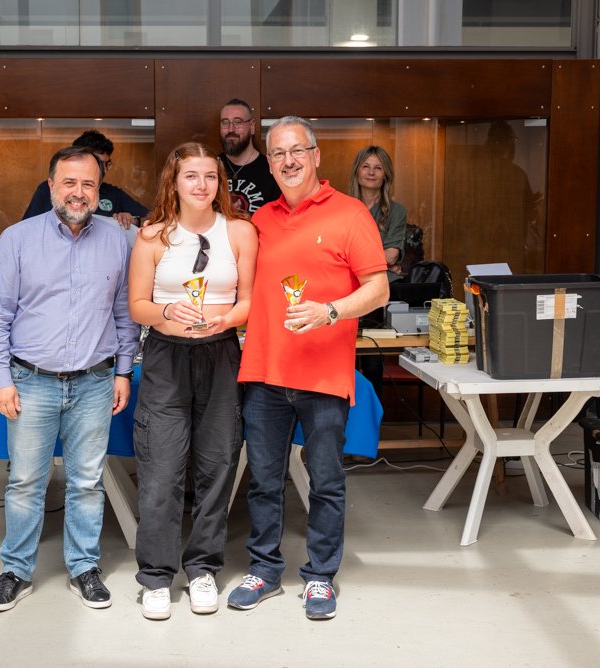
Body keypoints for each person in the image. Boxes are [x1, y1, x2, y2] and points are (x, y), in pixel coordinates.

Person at [229, 117, 390, 620]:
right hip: (265, 374)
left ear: (316, 156)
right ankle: (264, 570)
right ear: (270, 163)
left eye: (297, 150)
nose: (289, 160)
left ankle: (320, 576)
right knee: (263, 481)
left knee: (325, 483)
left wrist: (331, 311)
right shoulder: (260, 220)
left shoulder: (350, 213)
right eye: (278, 153)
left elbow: (378, 290)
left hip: (323, 377)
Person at [0, 145, 140, 613]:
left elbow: (124, 315)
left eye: (88, 183)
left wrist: (123, 371)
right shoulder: (17, 239)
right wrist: (0, 378)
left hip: (95, 381)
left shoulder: (117, 241)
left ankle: (84, 567)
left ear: (99, 190)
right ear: (51, 186)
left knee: (87, 481)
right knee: (26, 481)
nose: (78, 192)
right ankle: (16, 571)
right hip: (31, 381)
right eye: (69, 182)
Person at [127, 143, 258, 620]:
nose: (201, 185)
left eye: (210, 176)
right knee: (160, 469)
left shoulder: (240, 232)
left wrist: (225, 321)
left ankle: (203, 569)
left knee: (218, 465)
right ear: (174, 182)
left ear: (220, 183)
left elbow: (249, 301)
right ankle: (156, 576)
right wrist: (167, 310)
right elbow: (136, 306)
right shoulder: (152, 236)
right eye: (191, 176)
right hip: (165, 358)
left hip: (221, 355)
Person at [348, 146, 407, 397]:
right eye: (366, 166)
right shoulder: (341, 208)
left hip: (378, 297)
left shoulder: (396, 211)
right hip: (345, 294)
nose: (371, 172)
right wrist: (382, 263)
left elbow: (392, 254)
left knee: (373, 365)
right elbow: (333, 256)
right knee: (344, 363)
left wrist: (354, 262)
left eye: (378, 167)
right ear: (357, 171)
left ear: (386, 175)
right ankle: (345, 418)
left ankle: (373, 419)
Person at [21, 130, 151, 231]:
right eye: (69, 183)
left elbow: (153, 217)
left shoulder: (113, 193)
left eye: (106, 164)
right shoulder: (47, 189)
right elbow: (27, 228)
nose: (104, 170)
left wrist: (135, 221)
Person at [218, 98, 281, 215]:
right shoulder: (210, 167)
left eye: (238, 122)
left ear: (252, 126)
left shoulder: (272, 170)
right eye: (225, 123)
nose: (231, 129)